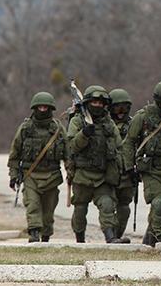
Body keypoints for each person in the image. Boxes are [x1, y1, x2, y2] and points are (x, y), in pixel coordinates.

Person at [123, 80, 161, 246]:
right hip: (150, 169)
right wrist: (129, 167)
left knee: (159, 211)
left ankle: (149, 241)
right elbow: (129, 142)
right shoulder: (143, 117)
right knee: (159, 204)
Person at [7, 92, 68, 243]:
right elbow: (14, 154)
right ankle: (34, 233)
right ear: (34, 108)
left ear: (51, 108)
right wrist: (13, 175)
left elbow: (68, 153)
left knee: (48, 211)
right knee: (32, 205)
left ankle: (46, 235)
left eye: (45, 107)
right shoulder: (25, 128)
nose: (42, 109)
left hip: (52, 176)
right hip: (30, 175)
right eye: (40, 107)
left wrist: (71, 172)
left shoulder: (58, 129)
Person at [67, 85, 124, 243]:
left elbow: (119, 146)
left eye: (101, 103)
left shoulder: (109, 123)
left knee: (107, 204)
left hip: (102, 175)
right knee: (80, 209)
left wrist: (121, 167)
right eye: (94, 102)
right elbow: (71, 145)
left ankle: (110, 236)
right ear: (87, 102)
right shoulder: (78, 121)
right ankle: (80, 239)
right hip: (82, 174)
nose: (97, 105)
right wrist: (84, 134)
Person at [108, 88, 133, 242]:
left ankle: (116, 236)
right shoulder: (105, 124)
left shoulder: (133, 125)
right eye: (117, 107)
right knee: (107, 206)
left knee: (124, 207)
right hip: (108, 173)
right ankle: (110, 236)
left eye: (124, 107)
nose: (121, 112)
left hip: (127, 174)